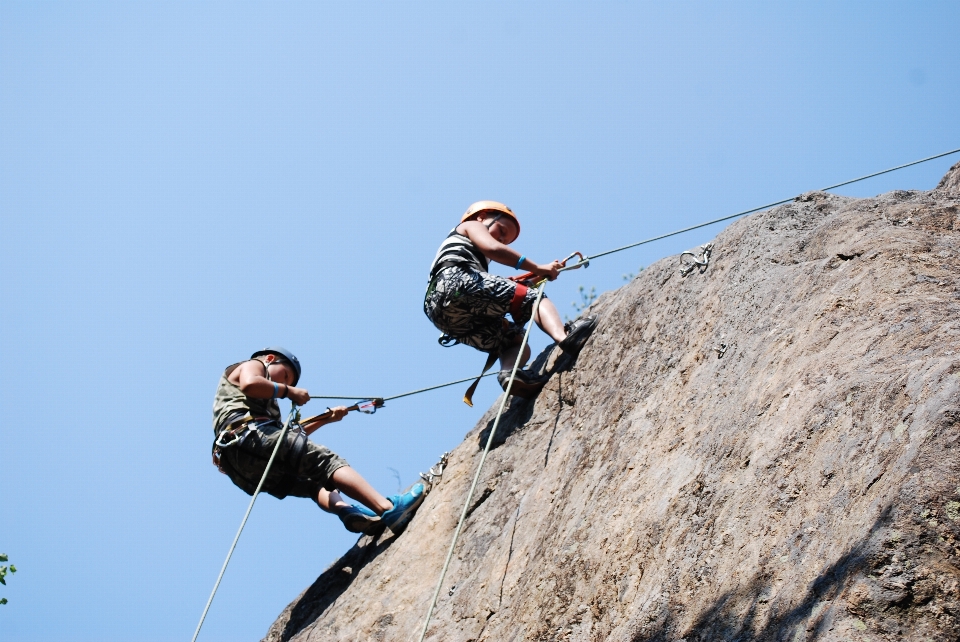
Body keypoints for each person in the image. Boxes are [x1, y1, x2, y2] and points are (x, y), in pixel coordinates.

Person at [212, 347, 424, 536]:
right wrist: (289, 391)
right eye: (285, 375)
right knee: (328, 462)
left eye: (287, 382)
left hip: (243, 466)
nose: (283, 383)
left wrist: (326, 419)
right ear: (270, 358)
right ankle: (387, 509)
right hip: (249, 437)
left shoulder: (266, 404)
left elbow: (289, 440)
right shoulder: (253, 365)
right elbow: (251, 383)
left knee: (315, 485)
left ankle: (347, 511)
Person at [424, 201, 597, 400]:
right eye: (502, 230)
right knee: (532, 299)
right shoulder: (471, 225)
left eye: (506, 240)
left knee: (513, 340)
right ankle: (565, 337)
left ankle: (510, 373)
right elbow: (492, 248)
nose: (501, 239)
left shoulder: (466, 255)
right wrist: (539, 267)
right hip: (455, 282)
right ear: (482, 216)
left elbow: (495, 292)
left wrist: (537, 276)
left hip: (442, 313)